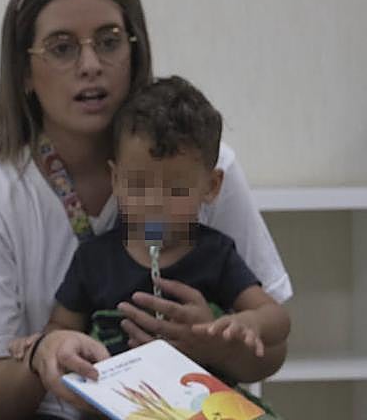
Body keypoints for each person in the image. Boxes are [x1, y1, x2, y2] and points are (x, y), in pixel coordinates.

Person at [0, 0, 292, 420]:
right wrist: (45, 354)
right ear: (23, 72)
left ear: (136, 51)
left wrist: (204, 341)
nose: (90, 65)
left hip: (187, 419)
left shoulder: (210, 167)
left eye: (108, 42)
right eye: (62, 48)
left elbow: (270, 351)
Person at [47, 76, 290, 366]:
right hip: (114, 407)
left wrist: (251, 322)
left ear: (211, 186)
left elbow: (278, 319)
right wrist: (51, 344)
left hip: (202, 405)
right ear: (116, 179)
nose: (154, 204)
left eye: (175, 191)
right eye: (138, 186)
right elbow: (60, 327)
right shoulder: (94, 259)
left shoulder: (216, 255)